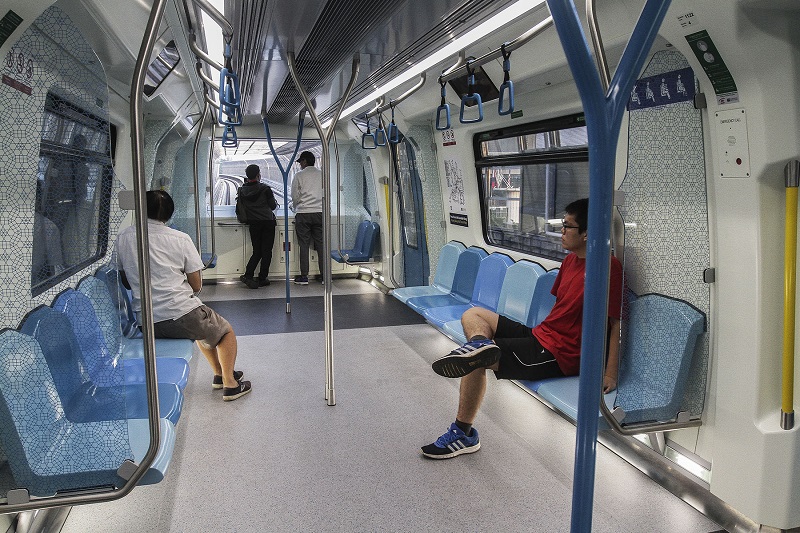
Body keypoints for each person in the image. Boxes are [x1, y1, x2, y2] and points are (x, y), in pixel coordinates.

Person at [422, 198, 623, 459]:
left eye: (567, 226)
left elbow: (616, 323)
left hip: (561, 353)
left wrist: (610, 374)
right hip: (541, 335)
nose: (561, 231)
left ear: (587, 234)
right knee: (474, 314)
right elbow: (561, 309)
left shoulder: (609, 269)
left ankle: (463, 433)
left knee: (474, 362)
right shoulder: (570, 262)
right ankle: (479, 344)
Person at [116, 190, 251, 401]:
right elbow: (196, 285)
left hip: (147, 322)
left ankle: (219, 373)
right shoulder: (180, 239)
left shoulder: (124, 237)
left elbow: (124, 278)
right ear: (169, 214)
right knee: (224, 332)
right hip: (178, 314)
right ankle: (231, 385)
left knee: (201, 329)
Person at [237, 164, 278, 289]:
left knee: (257, 251)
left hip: (253, 223)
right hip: (267, 223)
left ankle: (248, 275)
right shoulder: (265, 189)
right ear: (258, 174)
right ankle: (262, 278)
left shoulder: (242, 190)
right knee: (266, 251)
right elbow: (273, 206)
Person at [290, 151, 324, 285]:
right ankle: (324, 276)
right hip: (320, 213)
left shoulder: (299, 176)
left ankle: (304, 276)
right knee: (321, 245)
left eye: (300, 162)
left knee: (303, 245)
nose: (300, 165)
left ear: (304, 161)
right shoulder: (322, 174)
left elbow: (295, 196)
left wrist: (295, 206)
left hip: (303, 213)